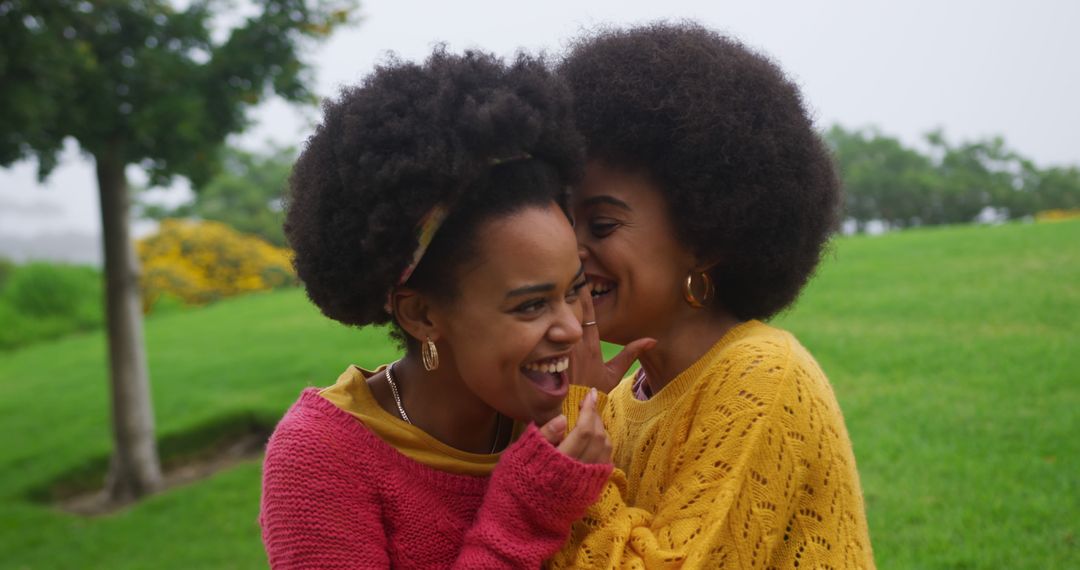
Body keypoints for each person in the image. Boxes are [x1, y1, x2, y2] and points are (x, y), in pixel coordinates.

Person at [259, 48, 628, 569]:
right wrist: (529, 512)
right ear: (422, 316)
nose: (571, 328)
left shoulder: (562, 421)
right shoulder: (322, 455)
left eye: (574, 289)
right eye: (530, 306)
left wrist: (588, 408)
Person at [547, 23, 876, 568]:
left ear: (705, 240)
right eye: (565, 222)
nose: (571, 252)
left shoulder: (764, 377)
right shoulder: (626, 399)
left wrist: (574, 452)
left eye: (601, 225)